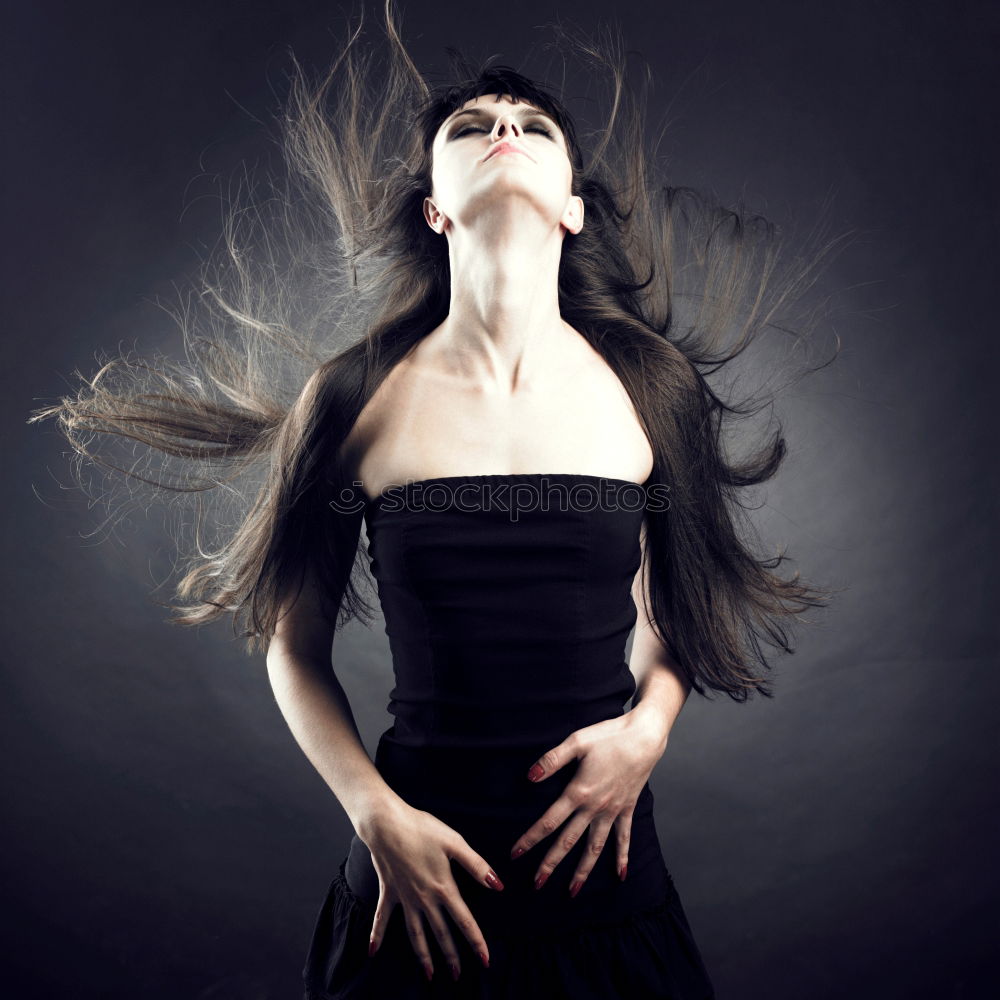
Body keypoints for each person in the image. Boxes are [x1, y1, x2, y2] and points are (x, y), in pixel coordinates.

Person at [28, 3, 848, 997]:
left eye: (534, 127)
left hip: (609, 890)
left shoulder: (650, 386)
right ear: (434, 208)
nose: (504, 128)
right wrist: (372, 812)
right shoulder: (354, 392)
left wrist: (648, 730)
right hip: (409, 888)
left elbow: (670, 614)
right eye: (470, 127)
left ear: (572, 207)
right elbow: (293, 644)